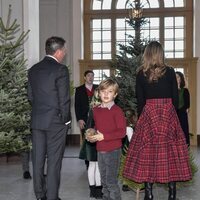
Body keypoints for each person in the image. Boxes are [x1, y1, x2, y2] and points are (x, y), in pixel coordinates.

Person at [123, 41, 192, 200]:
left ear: (146, 53)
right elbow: (175, 98)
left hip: (148, 113)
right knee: (171, 152)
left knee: (147, 153)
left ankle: (148, 193)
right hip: (168, 113)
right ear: (161, 53)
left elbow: (140, 100)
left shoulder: (141, 73)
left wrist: (141, 120)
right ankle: (172, 193)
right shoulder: (170, 71)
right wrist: (172, 116)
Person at [28, 36, 71, 200]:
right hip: (56, 122)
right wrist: (66, 120)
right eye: (64, 50)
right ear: (59, 51)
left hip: (37, 121)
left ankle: (40, 195)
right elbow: (64, 98)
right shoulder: (61, 69)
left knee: (38, 160)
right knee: (54, 161)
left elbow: (30, 96)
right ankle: (52, 197)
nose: (65, 52)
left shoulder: (33, 69)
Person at [87, 78, 126, 200]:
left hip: (113, 150)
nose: (106, 94)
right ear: (98, 93)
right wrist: (92, 134)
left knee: (111, 182)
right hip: (100, 150)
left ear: (115, 94)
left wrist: (104, 136)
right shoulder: (96, 110)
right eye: (103, 91)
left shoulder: (117, 111)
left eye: (110, 91)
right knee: (103, 181)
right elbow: (98, 127)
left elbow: (122, 132)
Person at [79, 89, 102, 199]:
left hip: (89, 138)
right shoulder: (99, 109)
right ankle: (97, 191)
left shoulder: (92, 108)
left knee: (92, 165)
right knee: (96, 166)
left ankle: (92, 191)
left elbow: (88, 125)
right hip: (95, 139)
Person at [75, 70, 98, 169]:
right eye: (88, 76)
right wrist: (79, 119)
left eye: (92, 76)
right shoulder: (79, 89)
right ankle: (87, 160)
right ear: (85, 77)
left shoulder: (98, 88)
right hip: (84, 119)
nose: (90, 78)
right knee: (86, 139)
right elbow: (77, 106)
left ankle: (95, 159)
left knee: (95, 138)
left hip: (96, 118)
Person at [176, 71, 190, 146]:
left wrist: (184, 110)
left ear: (181, 79)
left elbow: (187, 105)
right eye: (175, 77)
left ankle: (185, 147)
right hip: (174, 113)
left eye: (178, 77)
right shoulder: (171, 91)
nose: (176, 78)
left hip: (182, 113)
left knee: (183, 130)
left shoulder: (185, 91)